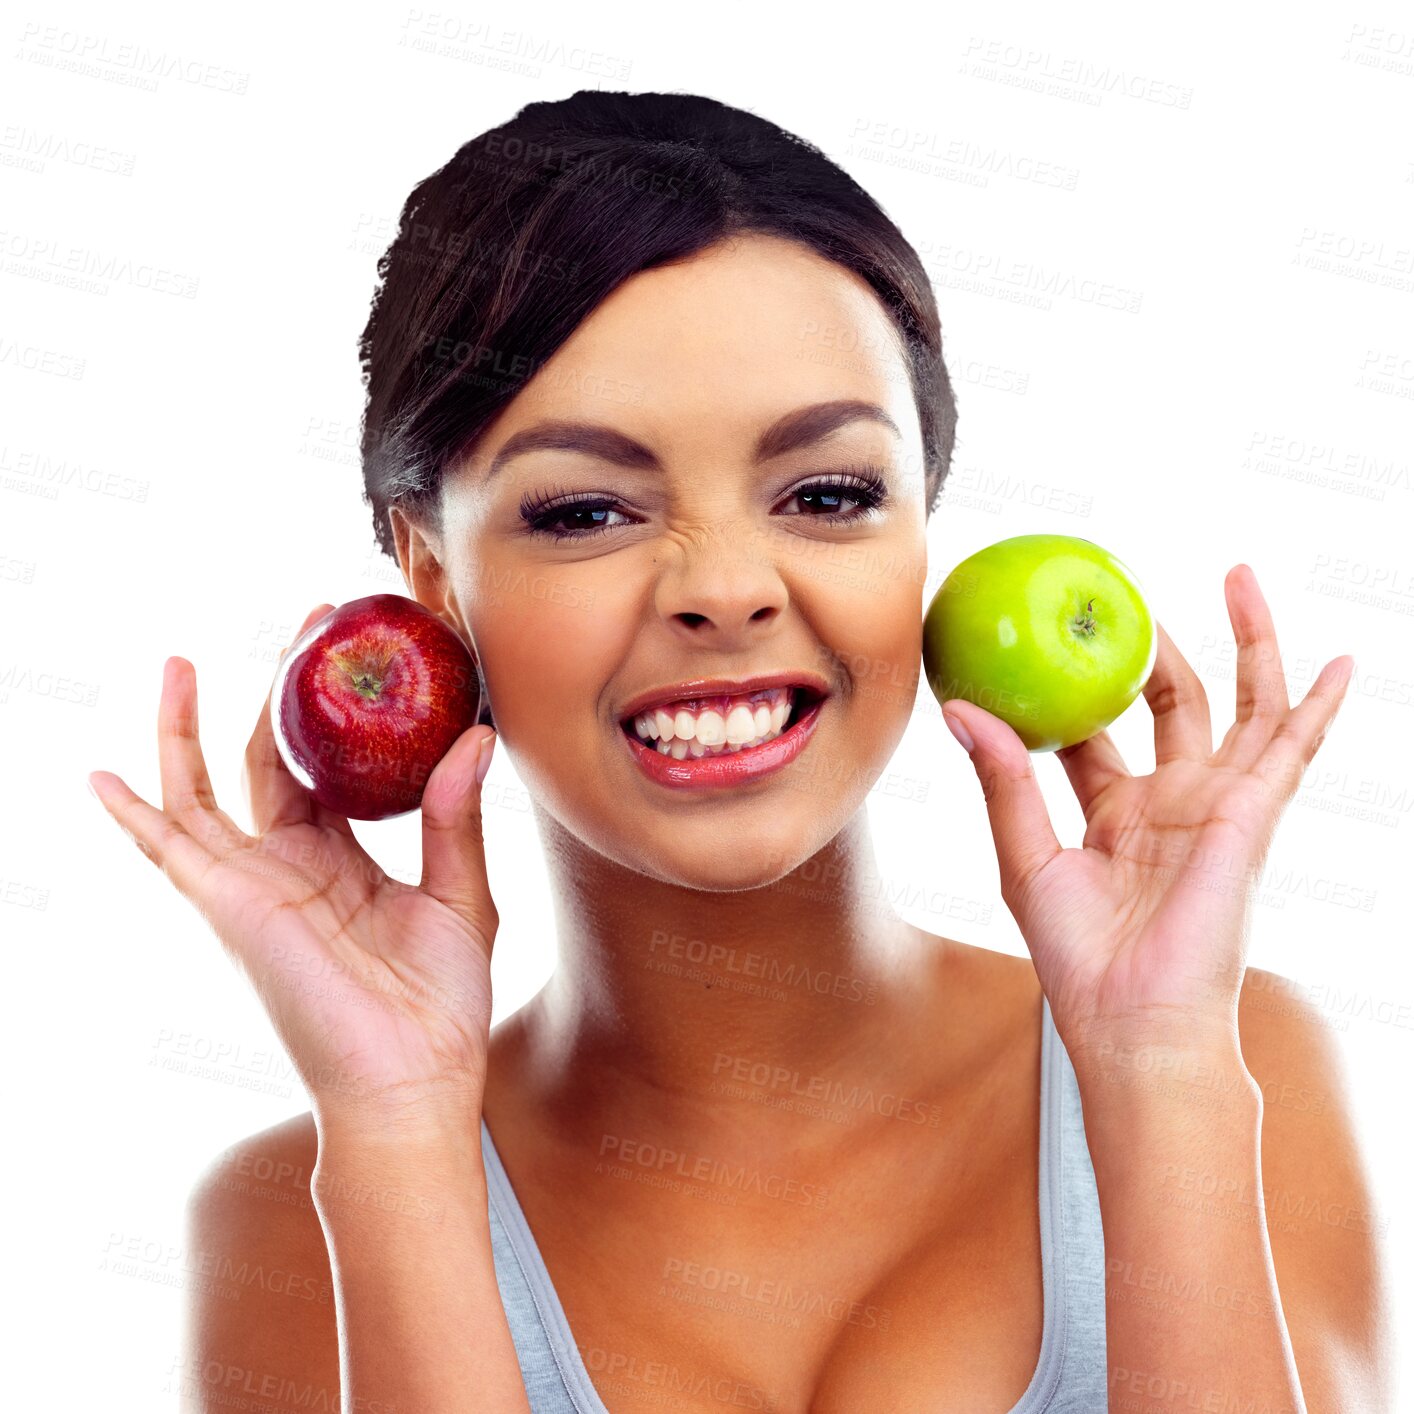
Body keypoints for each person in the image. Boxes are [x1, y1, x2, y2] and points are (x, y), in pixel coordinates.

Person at [89, 90, 1391, 1413]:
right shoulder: (278, 1224)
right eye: (586, 507)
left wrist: (1159, 1067)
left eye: (826, 493)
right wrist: (393, 1127)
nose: (724, 587)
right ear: (428, 572)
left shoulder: (1238, 1061)